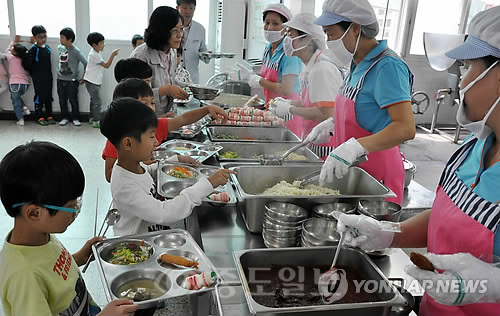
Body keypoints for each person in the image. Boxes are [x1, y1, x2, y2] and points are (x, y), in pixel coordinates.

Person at [336, 6, 500, 315]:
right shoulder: (472, 147)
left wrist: (494, 283)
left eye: (466, 67)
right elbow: (445, 218)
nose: (460, 80)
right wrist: (388, 233)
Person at [0, 141, 139, 316]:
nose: (76, 212)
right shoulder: (24, 277)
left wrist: (80, 256)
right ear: (35, 213)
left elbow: (50, 270)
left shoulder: (39, 236)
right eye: (71, 207)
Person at [310, 0, 415, 204]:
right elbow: (365, 110)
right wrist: (332, 123)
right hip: (354, 170)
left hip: (377, 175)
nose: (328, 40)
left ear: (355, 28)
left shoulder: (387, 66)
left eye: (331, 34)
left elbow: (406, 128)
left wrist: (355, 148)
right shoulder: (356, 63)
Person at [100, 97, 234, 236]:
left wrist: (175, 160)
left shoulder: (132, 165)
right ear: (128, 144)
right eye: (152, 137)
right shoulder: (124, 187)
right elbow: (165, 213)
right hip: (135, 245)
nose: (156, 142)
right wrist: (207, 184)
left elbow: (148, 172)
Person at [102, 78, 228, 182]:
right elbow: (109, 176)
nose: (150, 108)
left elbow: (183, 119)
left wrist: (207, 109)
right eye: (144, 104)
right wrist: (137, 162)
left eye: (152, 103)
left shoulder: (156, 125)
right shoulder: (117, 138)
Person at [271, 13, 344, 159]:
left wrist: (290, 109)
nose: (287, 40)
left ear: (308, 38)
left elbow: (326, 113)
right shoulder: (309, 66)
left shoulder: (322, 69)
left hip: (326, 146)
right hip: (313, 140)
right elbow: (310, 102)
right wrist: (289, 102)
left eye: (291, 35)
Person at [237, 4, 303, 135]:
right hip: (272, 108)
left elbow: (286, 88)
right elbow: (269, 75)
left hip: (288, 112)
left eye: (275, 24)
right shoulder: (268, 48)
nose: (270, 28)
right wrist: (250, 75)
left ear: (285, 27)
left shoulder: (289, 53)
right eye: (267, 23)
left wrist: (258, 81)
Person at [131, 6, 189, 116]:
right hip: (144, 118)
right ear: (161, 32)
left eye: (181, 29)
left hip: (164, 114)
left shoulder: (171, 51)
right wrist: (166, 90)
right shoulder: (141, 56)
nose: (179, 35)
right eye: (174, 31)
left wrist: (186, 88)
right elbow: (133, 95)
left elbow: (169, 79)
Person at [83, 32, 120, 128]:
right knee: (97, 102)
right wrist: (113, 55)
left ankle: (92, 118)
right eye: (102, 43)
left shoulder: (94, 53)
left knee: (93, 101)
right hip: (92, 82)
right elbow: (107, 65)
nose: (104, 45)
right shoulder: (95, 55)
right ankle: (97, 120)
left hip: (91, 80)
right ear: (94, 45)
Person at [57, 27, 87, 126]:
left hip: (72, 80)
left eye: (62, 37)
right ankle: (64, 117)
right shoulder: (60, 48)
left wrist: (84, 77)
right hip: (60, 79)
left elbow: (85, 63)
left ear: (69, 39)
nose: (60, 39)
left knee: (73, 100)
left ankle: (76, 118)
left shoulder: (76, 51)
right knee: (62, 99)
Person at [176, 0, 210, 84]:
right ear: (177, 8)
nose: (188, 11)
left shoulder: (200, 29)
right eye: (184, 8)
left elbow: (202, 50)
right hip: (173, 76)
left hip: (192, 77)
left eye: (191, 8)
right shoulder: (171, 27)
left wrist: (206, 56)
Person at [28, 25, 55, 126]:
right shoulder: (34, 49)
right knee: (40, 96)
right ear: (34, 37)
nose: (43, 39)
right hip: (38, 77)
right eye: (40, 37)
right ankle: (39, 116)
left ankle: (49, 114)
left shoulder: (47, 48)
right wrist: (34, 74)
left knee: (48, 96)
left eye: (45, 36)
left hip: (48, 76)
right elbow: (28, 64)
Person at [5, 36, 31, 126]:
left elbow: (7, 51)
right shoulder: (25, 60)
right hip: (25, 85)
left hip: (15, 84)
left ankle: (20, 119)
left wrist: (13, 41)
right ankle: (24, 108)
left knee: (15, 102)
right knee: (16, 98)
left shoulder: (11, 58)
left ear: (15, 52)